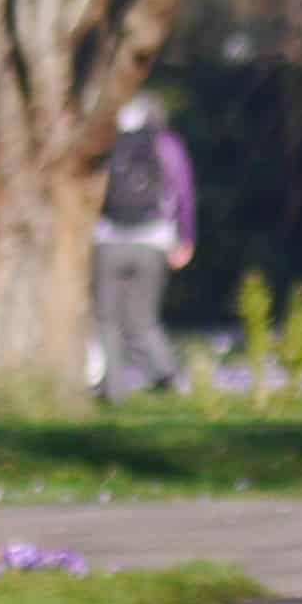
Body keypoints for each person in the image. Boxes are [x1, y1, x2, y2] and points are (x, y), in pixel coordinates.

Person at [94, 97, 195, 400]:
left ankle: (113, 392)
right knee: (143, 319)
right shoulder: (165, 144)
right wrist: (186, 239)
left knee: (107, 320)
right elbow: (183, 192)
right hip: (153, 241)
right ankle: (171, 376)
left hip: (108, 239)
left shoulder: (104, 141)